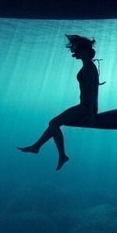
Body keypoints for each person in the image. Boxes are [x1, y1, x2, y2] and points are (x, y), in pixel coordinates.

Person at [18, 35, 99, 170]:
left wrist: (90, 113)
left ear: (83, 50)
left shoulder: (89, 68)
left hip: (86, 107)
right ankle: (38, 147)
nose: (73, 51)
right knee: (54, 123)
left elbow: (93, 91)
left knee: (54, 123)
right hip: (85, 106)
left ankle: (57, 154)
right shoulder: (88, 66)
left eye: (75, 48)